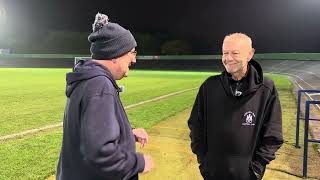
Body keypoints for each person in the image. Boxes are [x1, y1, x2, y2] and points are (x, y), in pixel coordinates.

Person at [56, 13, 154, 180]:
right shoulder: (99, 85)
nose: (134, 59)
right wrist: (139, 162)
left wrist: (128, 134)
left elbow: (89, 134)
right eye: (131, 52)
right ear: (115, 54)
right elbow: (99, 152)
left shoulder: (88, 79)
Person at [188, 33, 283, 180]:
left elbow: (273, 135)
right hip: (212, 173)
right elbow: (195, 125)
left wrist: (256, 169)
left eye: (235, 53)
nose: (228, 58)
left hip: (247, 175)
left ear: (250, 54)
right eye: (225, 53)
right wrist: (204, 162)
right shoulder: (209, 87)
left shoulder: (266, 89)